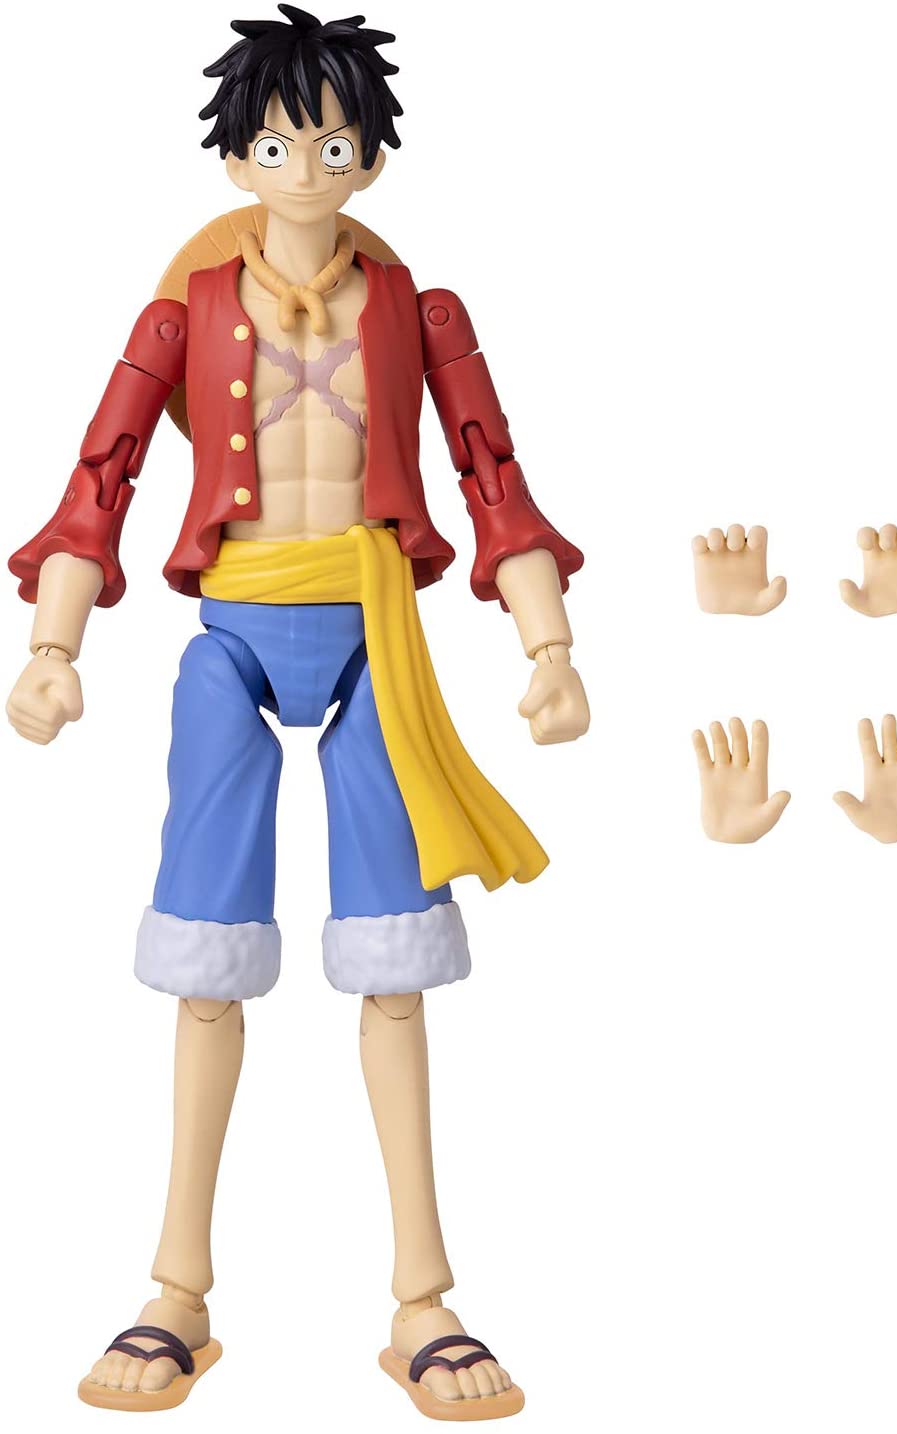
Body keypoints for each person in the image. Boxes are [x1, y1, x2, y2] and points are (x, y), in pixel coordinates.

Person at [7, 7, 589, 1420]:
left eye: (334, 143)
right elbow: (101, 479)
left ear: (371, 160)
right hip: (232, 634)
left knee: (394, 965)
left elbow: (492, 474)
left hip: (376, 634)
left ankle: (422, 1298)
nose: (308, 167)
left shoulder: (422, 313)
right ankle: (177, 1289)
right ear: (236, 160)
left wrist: (550, 639)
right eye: (278, 144)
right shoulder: (184, 315)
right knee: (205, 959)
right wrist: (54, 641)